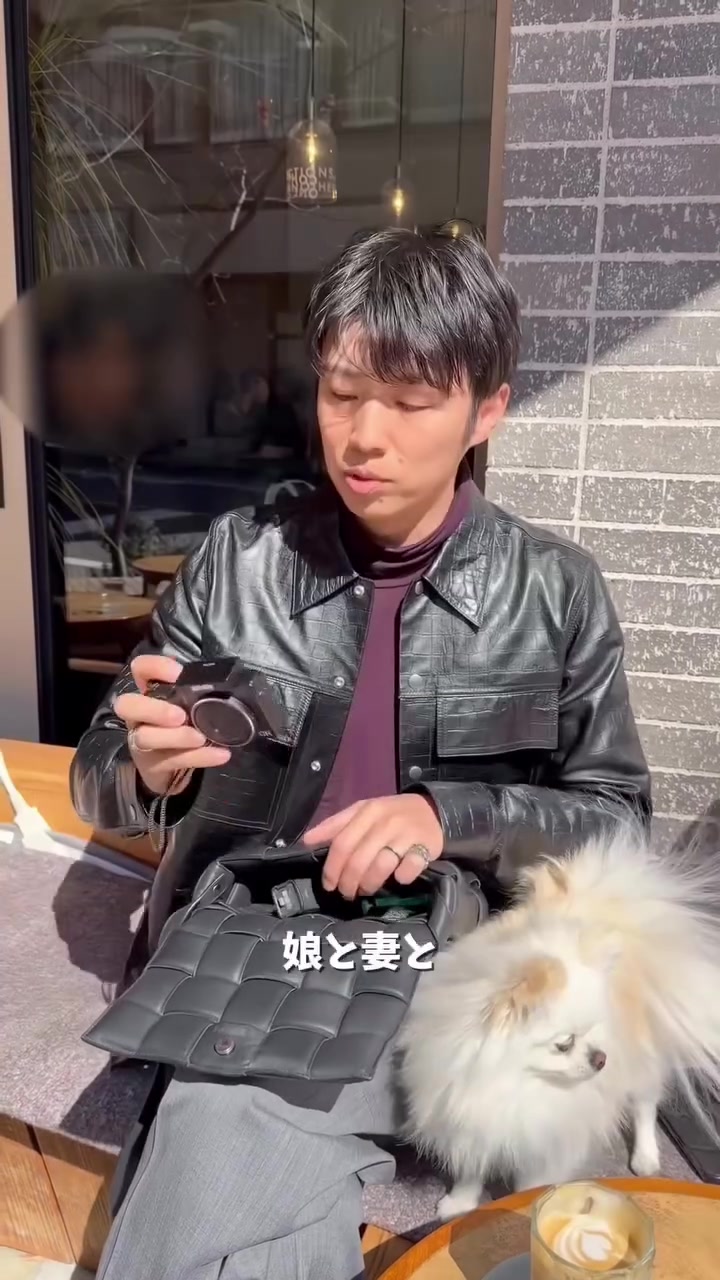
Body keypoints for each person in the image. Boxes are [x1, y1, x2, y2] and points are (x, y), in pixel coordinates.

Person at [71, 223, 651, 1280]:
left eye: (410, 402)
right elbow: (98, 773)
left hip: (450, 957)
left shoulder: (555, 590)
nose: (363, 436)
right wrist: (145, 770)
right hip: (256, 940)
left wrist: (450, 817)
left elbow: (618, 820)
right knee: (234, 1108)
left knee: (229, 1117)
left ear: (487, 410)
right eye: (342, 393)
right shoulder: (241, 562)